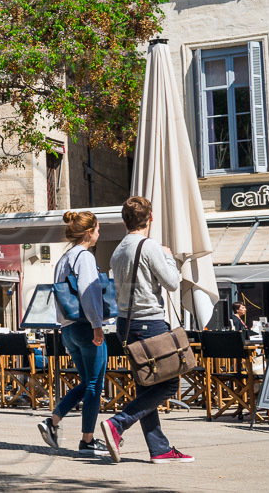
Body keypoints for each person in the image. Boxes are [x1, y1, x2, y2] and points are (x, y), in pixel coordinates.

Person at [98, 196, 192, 464]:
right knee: (171, 382)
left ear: (124, 220)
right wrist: (168, 256)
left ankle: (159, 449)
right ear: (150, 218)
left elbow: (124, 292)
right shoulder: (150, 247)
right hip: (150, 322)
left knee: (146, 384)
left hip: (126, 324)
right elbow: (172, 283)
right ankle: (118, 424)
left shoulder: (118, 251)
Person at [38, 210, 110, 457]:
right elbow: (88, 292)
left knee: (88, 382)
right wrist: (97, 324)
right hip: (86, 327)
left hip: (68, 328)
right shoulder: (84, 257)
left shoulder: (64, 258)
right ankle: (87, 440)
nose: (99, 233)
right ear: (89, 232)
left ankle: (53, 422)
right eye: (98, 229)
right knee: (94, 384)